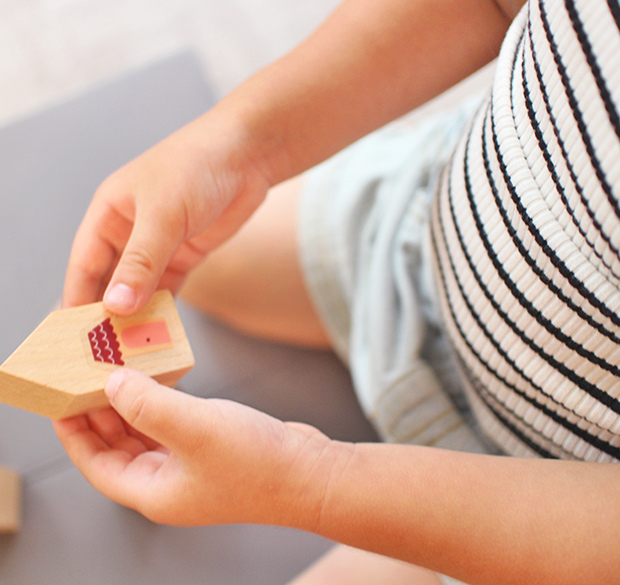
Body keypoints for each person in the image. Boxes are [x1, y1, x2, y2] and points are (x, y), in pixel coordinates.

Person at [53, 0, 620, 583]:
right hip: (425, 233)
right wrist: (239, 143)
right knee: (195, 266)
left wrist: (314, 481)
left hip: (542, 509)